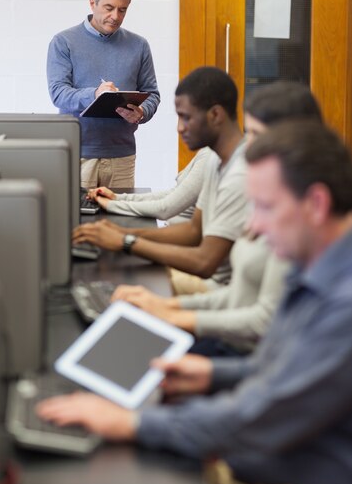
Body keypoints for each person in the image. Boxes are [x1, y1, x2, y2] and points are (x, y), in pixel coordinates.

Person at [38, 121, 352, 484]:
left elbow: (260, 414)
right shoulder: (312, 265)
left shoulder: (342, 303)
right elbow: (284, 369)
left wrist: (134, 423)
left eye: (266, 207)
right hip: (263, 459)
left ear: (316, 204)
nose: (253, 226)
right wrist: (211, 375)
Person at [110, 82, 322, 357]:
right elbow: (236, 297)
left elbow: (262, 321)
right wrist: (168, 309)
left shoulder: (298, 214)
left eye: (257, 135)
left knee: (135, 353)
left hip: (244, 352)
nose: (249, 147)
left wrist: (175, 317)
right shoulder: (265, 193)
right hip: (231, 336)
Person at [73, 66, 249, 295]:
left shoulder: (239, 173)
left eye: (186, 118)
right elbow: (193, 231)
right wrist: (120, 234)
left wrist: (125, 241)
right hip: (204, 279)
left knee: (113, 285)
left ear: (215, 115)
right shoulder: (218, 162)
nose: (180, 128)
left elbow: (205, 263)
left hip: (216, 289)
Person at [47, 0, 160, 189]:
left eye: (123, 9)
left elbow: (152, 94)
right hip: (78, 155)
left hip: (122, 155)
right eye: (109, 8)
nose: (116, 16)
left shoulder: (139, 45)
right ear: (92, 2)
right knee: (78, 221)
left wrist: (142, 112)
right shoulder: (64, 42)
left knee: (120, 221)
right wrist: (95, 94)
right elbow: (58, 93)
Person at [86, 146, 210, 225]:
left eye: (187, 117)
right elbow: (174, 194)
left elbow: (165, 209)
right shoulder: (206, 152)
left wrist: (111, 205)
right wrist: (117, 198)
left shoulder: (209, 158)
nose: (180, 128)